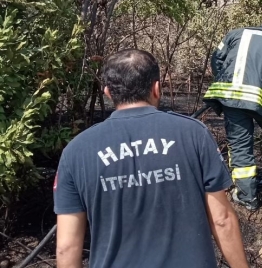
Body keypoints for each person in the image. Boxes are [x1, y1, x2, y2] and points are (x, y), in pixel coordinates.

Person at [53, 49, 249, 268]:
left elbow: (66, 248)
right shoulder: (193, 134)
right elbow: (222, 219)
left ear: (108, 92)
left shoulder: (76, 151)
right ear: (157, 88)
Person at [203, 14, 262, 211]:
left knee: (240, 145)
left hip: (235, 101)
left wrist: (225, 82)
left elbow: (217, 59)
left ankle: (247, 197)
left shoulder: (237, 34)